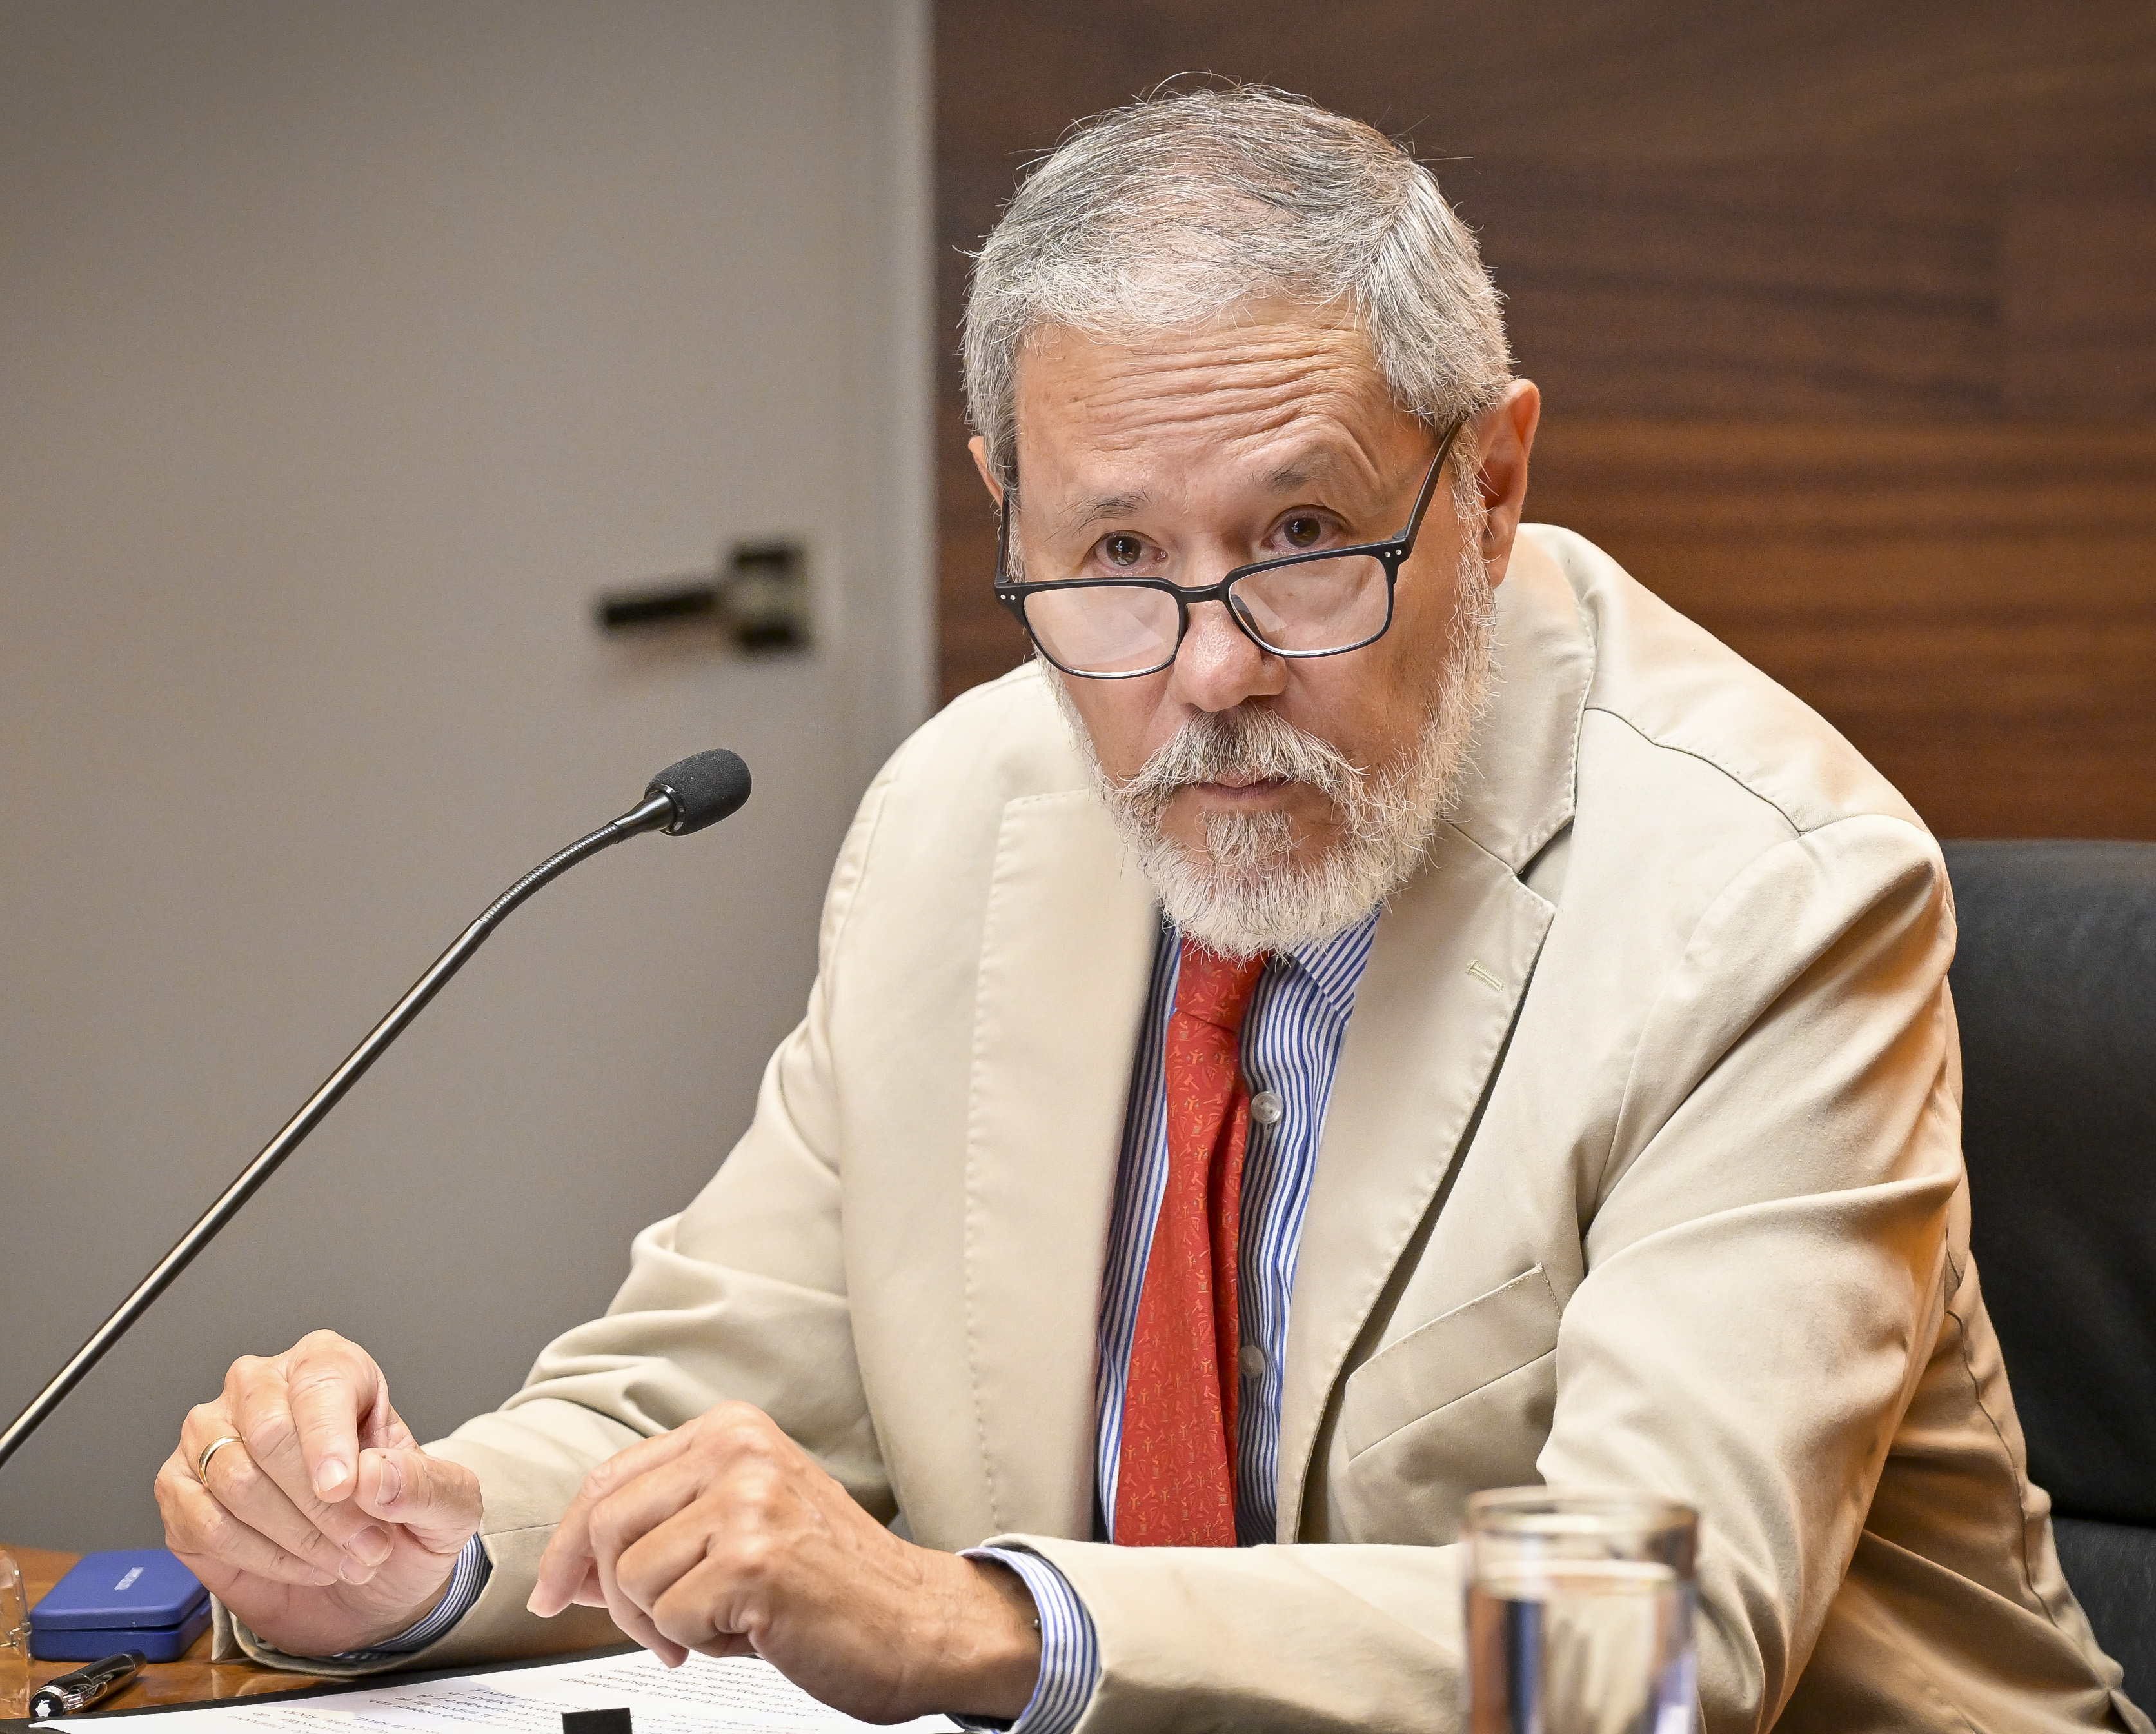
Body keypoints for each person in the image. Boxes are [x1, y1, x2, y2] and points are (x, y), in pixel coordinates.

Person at [155, 86, 2142, 1733]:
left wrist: (977, 1624)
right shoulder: (963, 817)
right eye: (1115, 553)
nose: (1209, 670)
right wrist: (411, 1549)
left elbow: (1647, 1647)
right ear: (1004, 509)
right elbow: (707, 1392)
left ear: (1492, 483)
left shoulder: (1759, 897)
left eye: (1302, 536)